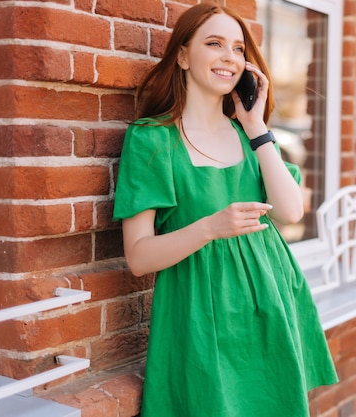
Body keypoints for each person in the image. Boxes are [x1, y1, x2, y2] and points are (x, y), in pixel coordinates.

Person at [112, 3, 338, 416]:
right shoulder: (153, 139)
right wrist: (210, 227)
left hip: (272, 304)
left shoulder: (251, 136)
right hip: (201, 314)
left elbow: (290, 212)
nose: (229, 57)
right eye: (214, 43)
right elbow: (139, 257)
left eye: (238, 48)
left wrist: (255, 126)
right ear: (182, 55)